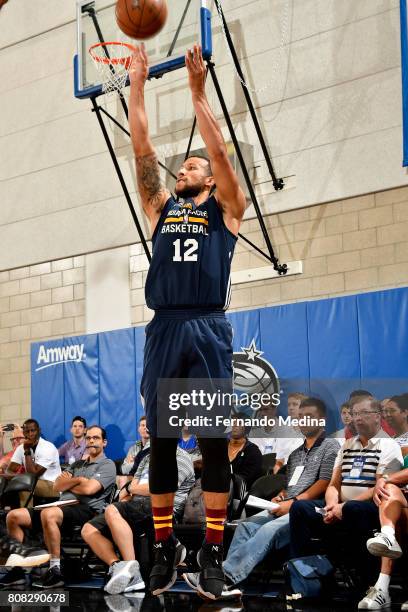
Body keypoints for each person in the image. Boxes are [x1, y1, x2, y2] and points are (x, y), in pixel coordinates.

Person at [128, 42, 246, 600]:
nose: (187, 167)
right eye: (186, 165)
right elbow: (142, 150)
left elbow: (221, 152)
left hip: (206, 328)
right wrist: (137, 86)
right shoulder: (161, 207)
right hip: (165, 328)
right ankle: (165, 545)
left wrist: (199, 95)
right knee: (164, 444)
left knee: (214, 445)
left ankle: (213, 552)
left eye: (194, 164)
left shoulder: (225, 210)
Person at [184, 398, 339, 596]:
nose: (304, 421)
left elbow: (325, 482)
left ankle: (224, 576)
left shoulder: (330, 446)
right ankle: (231, 585)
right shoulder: (296, 454)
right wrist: (281, 497)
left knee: (268, 530)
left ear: (322, 420)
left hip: (311, 509)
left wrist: (292, 503)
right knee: (245, 526)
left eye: (310, 417)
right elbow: (291, 486)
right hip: (289, 505)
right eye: (301, 417)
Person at [289, 394, 403, 603]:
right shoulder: (347, 445)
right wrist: (332, 504)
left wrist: (345, 506)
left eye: (364, 413)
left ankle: (364, 582)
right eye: (354, 414)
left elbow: (381, 487)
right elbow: (333, 483)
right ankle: (310, 580)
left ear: (378, 416)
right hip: (339, 505)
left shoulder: (388, 446)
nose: (357, 418)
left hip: (368, 507)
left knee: (353, 511)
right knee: (300, 509)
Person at [1, 425, 116, 589]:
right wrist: (78, 481)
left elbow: (89, 489)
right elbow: (57, 485)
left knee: (48, 514)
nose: (91, 441)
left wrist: (69, 484)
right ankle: (18, 570)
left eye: (95, 438)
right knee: (13, 516)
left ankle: (55, 570)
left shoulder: (107, 464)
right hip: (59, 505)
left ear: (104, 442)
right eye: (88, 438)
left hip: (86, 509)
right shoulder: (77, 464)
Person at [82, 444, 195, 595]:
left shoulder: (181, 459)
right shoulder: (148, 457)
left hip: (164, 508)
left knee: (112, 510)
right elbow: (132, 486)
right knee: (89, 530)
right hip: (134, 505)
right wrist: (133, 489)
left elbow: (163, 489)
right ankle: (118, 566)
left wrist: (132, 489)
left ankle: (132, 572)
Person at [6, 419, 61, 506]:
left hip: (53, 485)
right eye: (27, 431)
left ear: (39, 431)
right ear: (23, 433)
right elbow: (9, 471)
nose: (30, 434)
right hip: (33, 482)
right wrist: (18, 477)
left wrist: (27, 451)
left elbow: (33, 474)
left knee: (25, 484)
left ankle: (26, 516)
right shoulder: (20, 448)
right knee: (5, 481)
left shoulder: (48, 447)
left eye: (33, 430)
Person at [249, 400, 303, 472]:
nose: (262, 413)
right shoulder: (254, 433)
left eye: (265, 409)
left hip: (282, 474)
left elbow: (294, 459)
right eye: (260, 410)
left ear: (274, 410)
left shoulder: (288, 431)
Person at [228, 415, 263, 489]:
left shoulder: (253, 452)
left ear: (246, 428)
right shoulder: (219, 448)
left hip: (237, 491)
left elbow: (247, 479)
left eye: (239, 423)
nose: (234, 425)